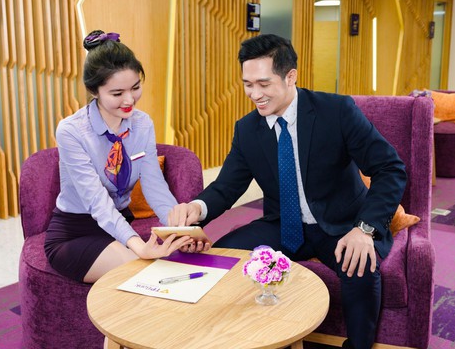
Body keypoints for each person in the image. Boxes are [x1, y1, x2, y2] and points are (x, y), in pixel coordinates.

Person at [170, 34, 407, 349]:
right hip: (284, 224)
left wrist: (365, 230)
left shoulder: (336, 111)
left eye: (263, 84)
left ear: (290, 76)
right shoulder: (247, 129)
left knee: (361, 267)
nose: (255, 94)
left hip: (341, 224)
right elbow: (226, 187)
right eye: (247, 84)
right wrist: (196, 208)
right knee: (223, 256)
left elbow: (389, 169)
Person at [44, 30, 193, 284]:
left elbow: (154, 184)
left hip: (119, 225)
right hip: (76, 231)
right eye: (117, 93)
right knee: (149, 276)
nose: (129, 100)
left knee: (169, 271)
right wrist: (138, 246)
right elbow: (96, 200)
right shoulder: (71, 131)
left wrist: (178, 232)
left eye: (135, 88)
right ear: (94, 91)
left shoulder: (142, 124)